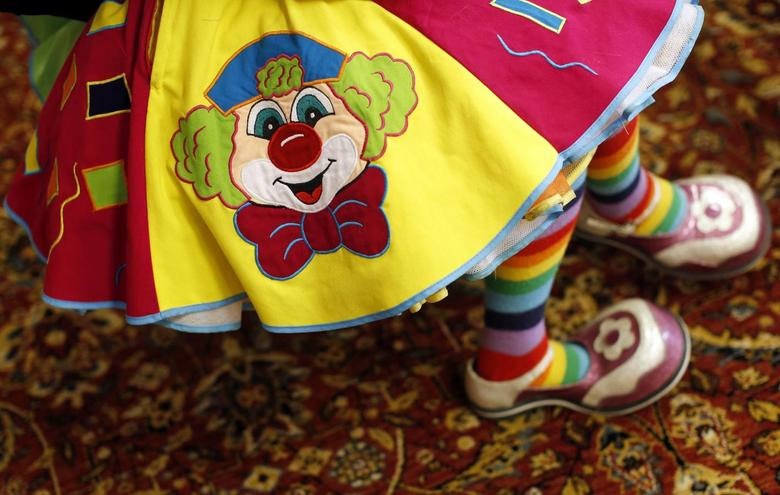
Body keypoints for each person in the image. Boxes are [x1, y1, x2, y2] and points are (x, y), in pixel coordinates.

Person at [2, 0, 771, 418]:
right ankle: (516, 359)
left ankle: (620, 195)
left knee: (580, 34)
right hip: (151, 37)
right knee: (516, 142)